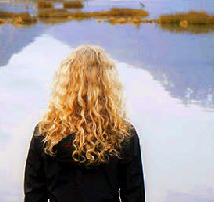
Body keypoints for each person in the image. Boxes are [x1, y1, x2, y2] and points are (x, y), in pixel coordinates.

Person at [24, 45, 145, 201]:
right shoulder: (124, 135)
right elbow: (135, 197)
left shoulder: (46, 133)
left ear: (66, 84)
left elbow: (34, 196)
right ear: (107, 84)